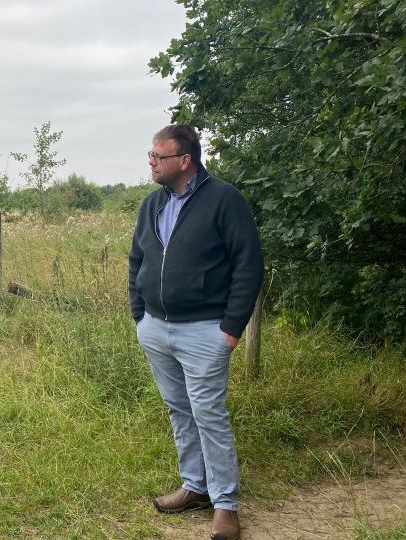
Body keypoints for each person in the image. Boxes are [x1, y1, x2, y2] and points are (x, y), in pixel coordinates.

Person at [128, 125, 264, 540]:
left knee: (209, 415)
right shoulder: (152, 203)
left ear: (184, 161)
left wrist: (230, 329)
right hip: (156, 327)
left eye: (158, 156)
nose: (150, 162)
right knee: (179, 409)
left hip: (205, 330)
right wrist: (140, 315)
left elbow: (248, 265)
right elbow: (137, 260)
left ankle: (226, 505)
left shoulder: (224, 200)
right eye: (150, 154)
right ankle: (195, 487)